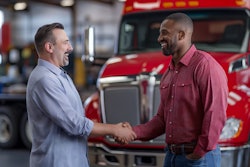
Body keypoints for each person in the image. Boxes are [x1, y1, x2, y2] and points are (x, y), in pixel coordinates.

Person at [121, 13, 228, 167]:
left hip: (198, 159)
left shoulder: (205, 66)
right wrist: (133, 132)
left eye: (164, 33)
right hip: (171, 157)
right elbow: (161, 120)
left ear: (181, 35)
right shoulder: (169, 73)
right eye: (159, 33)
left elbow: (215, 115)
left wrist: (198, 153)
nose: (159, 39)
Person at [26, 22, 136, 167]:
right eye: (65, 43)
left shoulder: (61, 76)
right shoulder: (45, 79)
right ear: (49, 47)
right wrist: (114, 130)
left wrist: (115, 128)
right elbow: (74, 123)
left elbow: (78, 118)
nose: (70, 48)